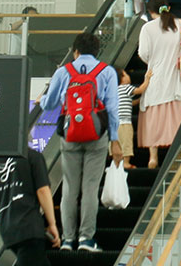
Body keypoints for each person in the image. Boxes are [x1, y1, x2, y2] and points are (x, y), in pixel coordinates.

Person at [38, 31, 123, 251]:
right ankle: (86, 239)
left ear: (75, 51)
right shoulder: (107, 72)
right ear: (97, 51)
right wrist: (115, 140)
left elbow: (50, 104)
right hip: (97, 135)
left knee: (69, 189)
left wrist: (42, 99)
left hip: (70, 134)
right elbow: (113, 108)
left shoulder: (63, 72)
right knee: (90, 188)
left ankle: (67, 240)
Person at [137, 0, 181, 169]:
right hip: (177, 79)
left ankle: (153, 158)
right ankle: (179, 156)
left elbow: (143, 53)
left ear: (150, 11)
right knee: (177, 120)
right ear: (168, 7)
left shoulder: (147, 28)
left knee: (154, 119)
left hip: (155, 78)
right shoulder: (180, 24)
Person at [116, 68, 148, 169]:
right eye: (125, 75)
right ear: (122, 79)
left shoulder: (115, 90)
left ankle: (117, 163)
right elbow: (140, 89)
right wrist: (147, 79)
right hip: (125, 123)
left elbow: (129, 103)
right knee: (127, 143)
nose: (128, 76)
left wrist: (138, 101)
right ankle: (126, 163)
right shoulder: (126, 87)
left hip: (115, 124)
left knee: (118, 143)